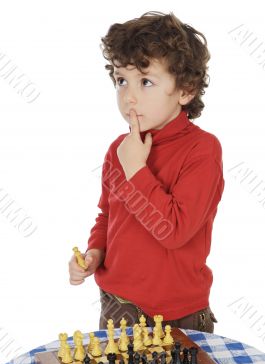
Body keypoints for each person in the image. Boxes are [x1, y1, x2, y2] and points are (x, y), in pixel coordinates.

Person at [68, 11, 224, 333]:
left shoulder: (202, 150)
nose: (129, 96)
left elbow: (173, 231)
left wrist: (136, 168)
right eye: (120, 80)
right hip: (118, 304)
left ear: (185, 90)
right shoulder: (119, 149)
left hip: (179, 312)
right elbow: (109, 215)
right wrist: (95, 252)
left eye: (146, 81)